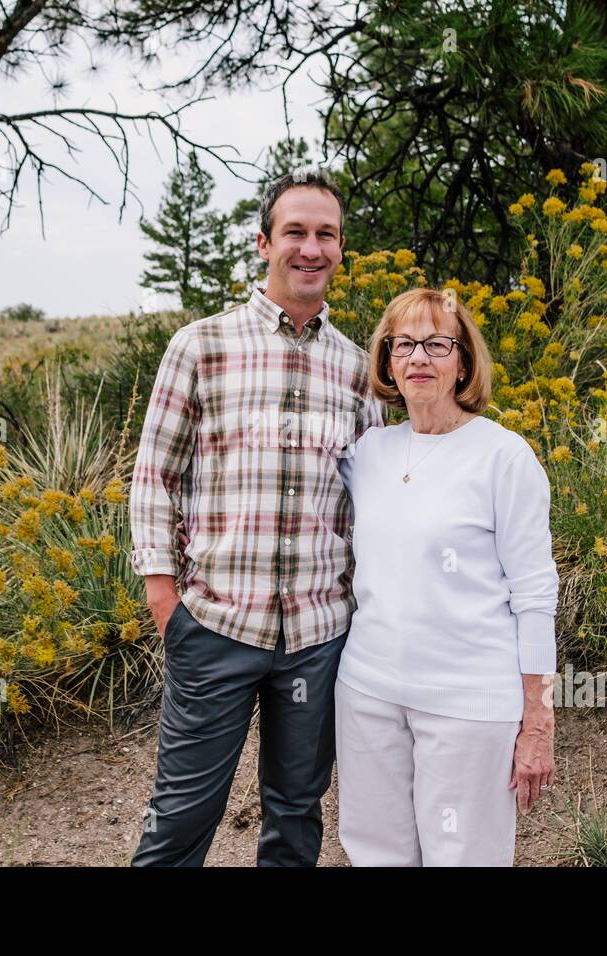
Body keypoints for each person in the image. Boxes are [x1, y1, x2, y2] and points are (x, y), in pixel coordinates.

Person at [128, 167, 385, 866]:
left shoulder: (360, 372)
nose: (311, 248)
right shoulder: (201, 347)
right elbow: (155, 476)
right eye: (295, 232)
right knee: (181, 816)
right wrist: (163, 600)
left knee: (296, 815)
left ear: (340, 248)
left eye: (325, 234)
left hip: (317, 635)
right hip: (215, 626)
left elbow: (371, 506)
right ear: (263, 243)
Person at [334, 286, 560, 866]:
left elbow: (534, 594)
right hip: (367, 693)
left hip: (468, 703)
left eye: (437, 344)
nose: (418, 358)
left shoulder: (504, 457)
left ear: (463, 361)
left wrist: (537, 718)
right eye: (403, 344)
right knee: (375, 854)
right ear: (387, 360)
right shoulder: (368, 453)